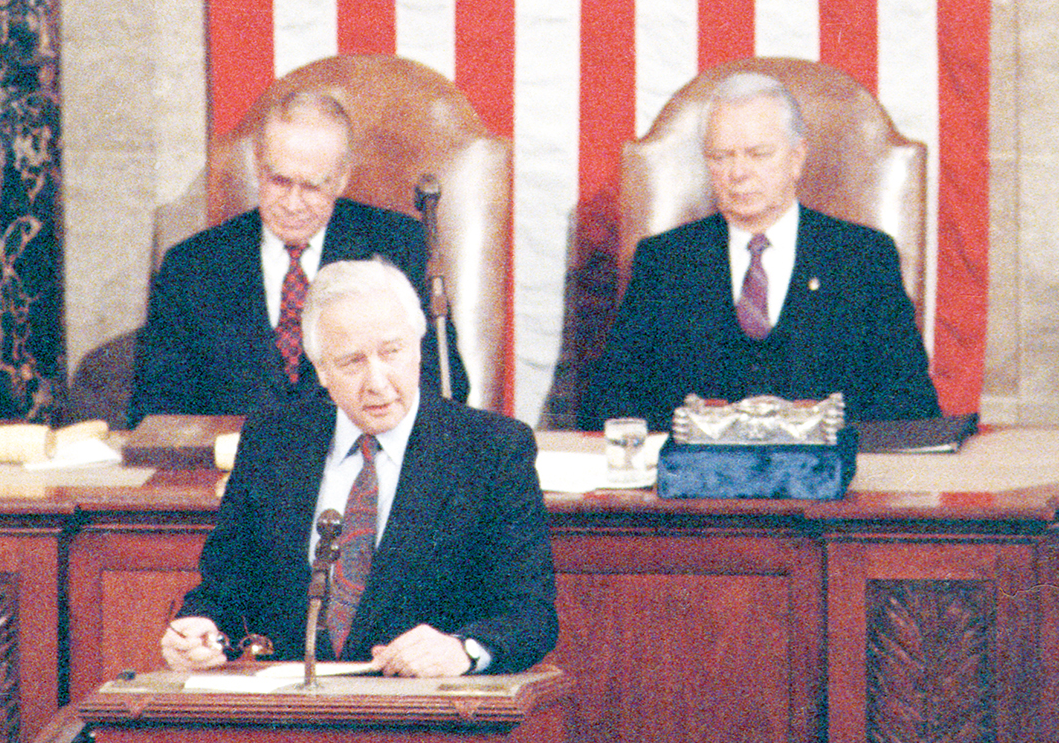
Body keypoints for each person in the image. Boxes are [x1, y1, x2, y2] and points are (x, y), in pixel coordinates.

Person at [161, 258, 557, 677]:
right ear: (321, 371)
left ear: (419, 345)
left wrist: (463, 650)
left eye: (392, 352)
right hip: (291, 716)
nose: (378, 382)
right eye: (352, 362)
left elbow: (530, 613)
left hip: (424, 715)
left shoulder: (490, 450)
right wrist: (201, 631)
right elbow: (224, 588)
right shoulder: (273, 440)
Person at [582, 70, 940, 432]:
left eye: (758, 154)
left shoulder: (863, 258)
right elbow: (611, 403)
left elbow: (912, 407)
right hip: (700, 481)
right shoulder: (665, 261)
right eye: (721, 156)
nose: (738, 172)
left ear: (797, 157)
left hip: (826, 480)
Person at [128, 90, 468, 425]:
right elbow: (155, 413)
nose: (292, 204)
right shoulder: (191, 266)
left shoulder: (398, 247)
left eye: (312, 186)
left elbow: (442, 387)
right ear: (259, 167)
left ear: (341, 179)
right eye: (278, 181)